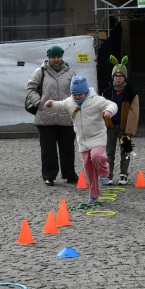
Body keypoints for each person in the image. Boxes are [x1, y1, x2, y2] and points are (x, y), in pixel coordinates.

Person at [44, 75, 117, 204]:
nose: (77, 97)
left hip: (97, 136)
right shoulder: (70, 102)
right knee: (88, 168)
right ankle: (94, 193)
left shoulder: (96, 100)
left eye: (80, 94)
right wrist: (51, 104)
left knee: (97, 156)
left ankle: (105, 171)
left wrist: (109, 111)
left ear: (86, 92)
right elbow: (60, 106)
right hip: (82, 141)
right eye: (74, 94)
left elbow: (112, 104)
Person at [26, 45, 78, 187]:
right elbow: (31, 89)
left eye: (58, 56)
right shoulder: (40, 71)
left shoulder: (70, 72)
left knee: (68, 148)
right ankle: (49, 175)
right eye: (53, 57)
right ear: (49, 57)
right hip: (45, 117)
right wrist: (39, 103)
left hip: (65, 116)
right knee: (48, 149)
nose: (56, 59)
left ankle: (70, 174)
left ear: (62, 57)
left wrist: (74, 105)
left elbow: (77, 91)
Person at [101, 55, 140, 185]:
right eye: (116, 76)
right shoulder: (106, 92)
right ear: (113, 77)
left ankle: (123, 174)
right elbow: (101, 108)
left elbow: (134, 113)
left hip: (124, 127)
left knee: (126, 150)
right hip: (110, 126)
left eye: (121, 76)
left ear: (125, 77)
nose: (118, 78)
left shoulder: (131, 93)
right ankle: (108, 174)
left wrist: (129, 130)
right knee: (109, 152)